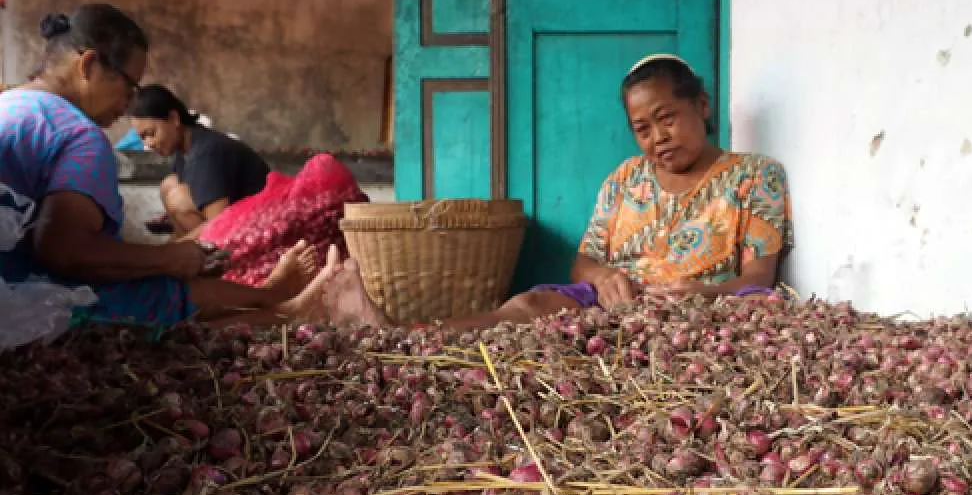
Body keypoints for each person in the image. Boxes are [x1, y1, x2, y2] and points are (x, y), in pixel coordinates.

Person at [294, 53, 793, 330]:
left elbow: (758, 279)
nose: (658, 138)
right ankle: (402, 337)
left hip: (701, 311)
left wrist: (700, 291)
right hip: (615, 305)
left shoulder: (755, 176)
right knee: (527, 308)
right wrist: (605, 279)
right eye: (643, 128)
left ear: (702, 106)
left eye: (668, 118)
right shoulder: (625, 179)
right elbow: (584, 262)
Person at [0, 4, 318, 329]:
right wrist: (168, 259)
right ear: (89, 64)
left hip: (14, 292)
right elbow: (65, 250)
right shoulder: (78, 133)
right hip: (27, 308)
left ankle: (268, 296)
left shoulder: (9, 105)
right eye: (128, 87)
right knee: (166, 297)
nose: (127, 104)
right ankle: (282, 312)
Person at [129, 84, 269, 238]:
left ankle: (213, 258)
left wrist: (170, 252)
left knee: (178, 199)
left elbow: (219, 224)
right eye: (142, 137)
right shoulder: (183, 150)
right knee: (169, 185)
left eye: (151, 133)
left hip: (262, 225)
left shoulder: (205, 154)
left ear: (174, 119)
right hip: (237, 222)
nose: (148, 143)